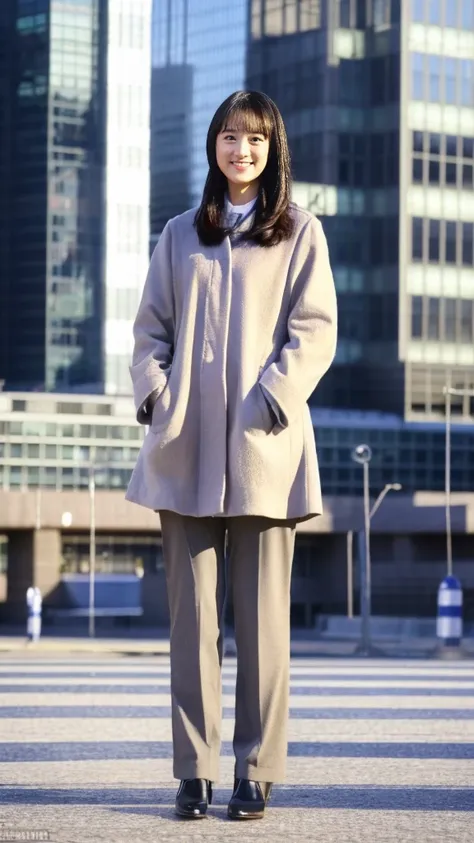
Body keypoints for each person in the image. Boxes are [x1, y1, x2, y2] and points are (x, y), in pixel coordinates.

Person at [126, 90, 337, 820]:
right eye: (228, 136)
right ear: (213, 147)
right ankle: (194, 770)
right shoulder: (180, 234)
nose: (240, 149)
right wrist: (157, 397)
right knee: (192, 626)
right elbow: (149, 331)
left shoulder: (300, 233)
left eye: (253, 138)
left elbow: (315, 331)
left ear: (273, 149)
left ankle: (257, 768)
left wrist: (270, 400)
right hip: (183, 454)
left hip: (264, 455)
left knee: (264, 624)